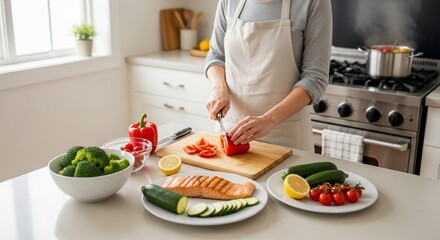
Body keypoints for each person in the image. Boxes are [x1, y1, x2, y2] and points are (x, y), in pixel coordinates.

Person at [204, 0, 332, 152]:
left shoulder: (313, 2)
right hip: (231, 133)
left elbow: (315, 79)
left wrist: (269, 119)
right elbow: (216, 56)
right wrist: (218, 87)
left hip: (285, 139)